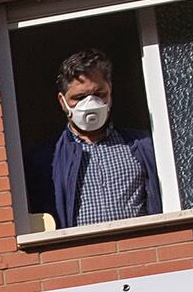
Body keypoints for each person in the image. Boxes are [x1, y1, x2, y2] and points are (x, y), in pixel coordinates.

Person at [25, 49, 163, 229]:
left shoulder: (144, 146)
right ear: (62, 101)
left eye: (99, 94)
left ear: (110, 91)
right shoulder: (47, 160)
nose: (90, 104)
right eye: (79, 97)